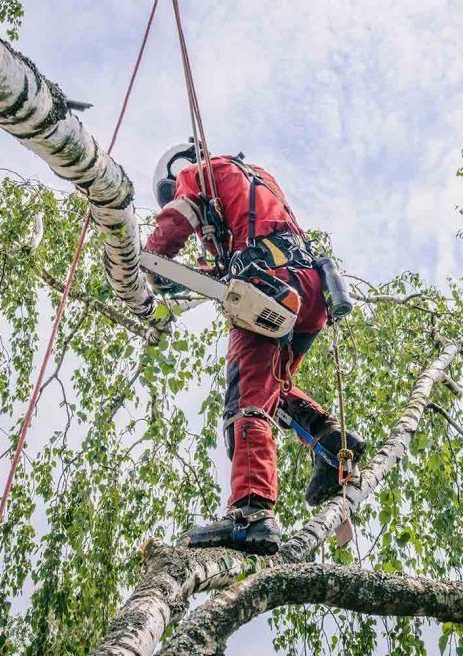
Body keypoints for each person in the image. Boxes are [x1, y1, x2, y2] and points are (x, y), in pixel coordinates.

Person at [144, 143, 365, 555]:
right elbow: (255, 237)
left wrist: (153, 258)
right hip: (310, 289)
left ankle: (252, 511)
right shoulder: (259, 179)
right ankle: (330, 440)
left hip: (270, 286)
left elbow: (178, 220)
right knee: (271, 388)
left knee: (246, 396)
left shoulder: (200, 173)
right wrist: (203, 272)